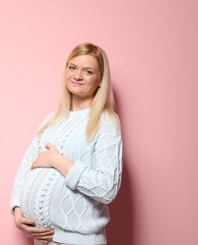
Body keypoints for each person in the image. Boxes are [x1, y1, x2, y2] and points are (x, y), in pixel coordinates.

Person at [10, 42, 123, 245]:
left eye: (87, 71)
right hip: (42, 240)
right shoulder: (51, 120)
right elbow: (25, 168)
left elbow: (107, 188)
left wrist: (57, 160)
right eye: (72, 68)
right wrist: (18, 209)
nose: (77, 76)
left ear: (100, 80)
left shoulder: (106, 122)